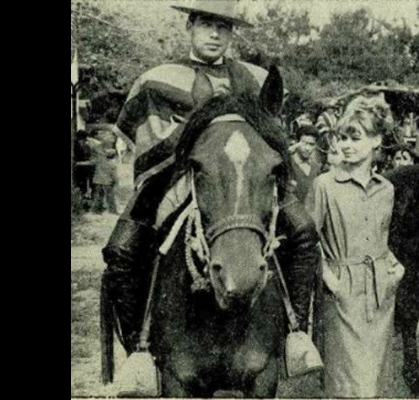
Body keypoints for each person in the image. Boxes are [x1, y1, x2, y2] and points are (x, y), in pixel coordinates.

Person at [102, 0, 320, 361]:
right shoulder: (157, 80)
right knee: (121, 250)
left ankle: (295, 333)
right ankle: (139, 348)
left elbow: (270, 135)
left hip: (246, 179)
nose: (215, 33)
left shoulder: (254, 79)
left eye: (224, 26)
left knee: (304, 232)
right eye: (206, 24)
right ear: (190, 25)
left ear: (232, 33)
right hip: (174, 176)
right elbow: (147, 144)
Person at [307, 95, 405, 397]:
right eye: (343, 137)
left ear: (376, 141)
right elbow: (309, 239)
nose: (346, 145)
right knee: (345, 382)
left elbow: (380, 236)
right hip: (341, 290)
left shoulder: (386, 189)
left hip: (380, 292)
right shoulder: (325, 185)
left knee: (375, 380)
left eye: (355, 137)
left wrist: (394, 269)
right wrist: (328, 278)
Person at [289, 124, 322, 202]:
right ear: (296, 143)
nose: (307, 148)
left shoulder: (315, 168)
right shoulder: (288, 164)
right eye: (304, 143)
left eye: (311, 144)